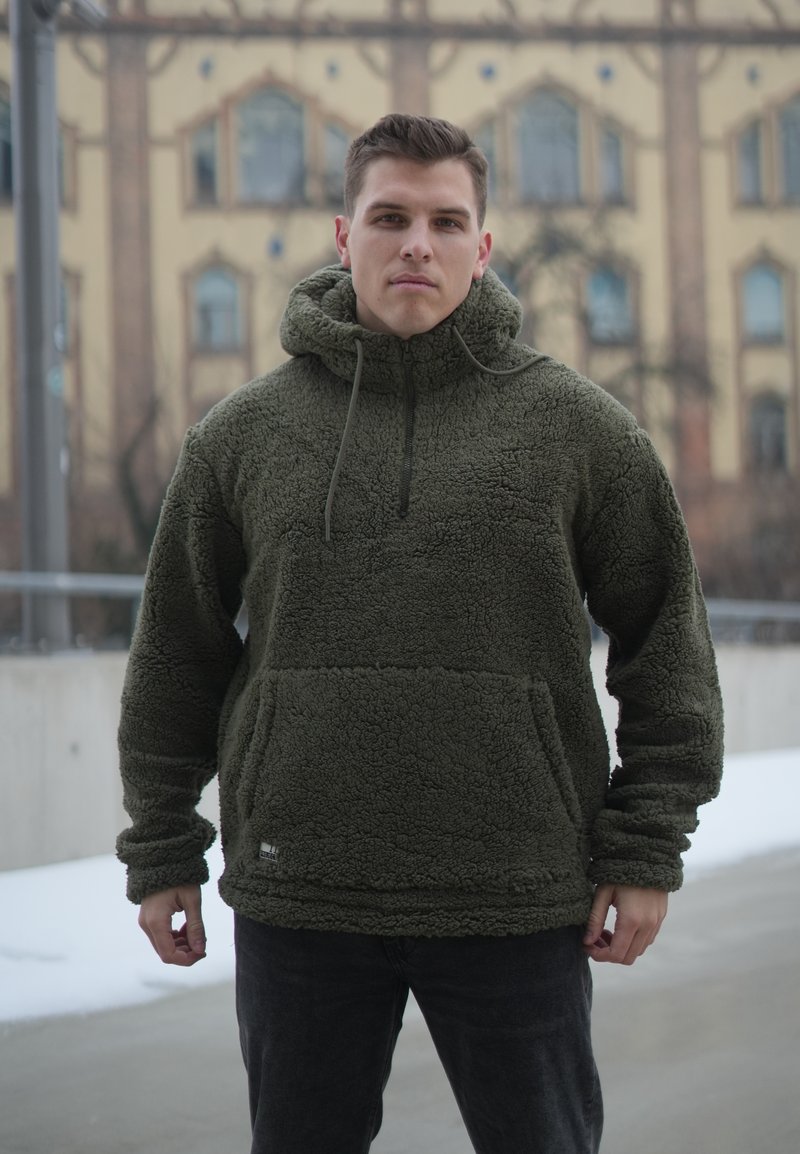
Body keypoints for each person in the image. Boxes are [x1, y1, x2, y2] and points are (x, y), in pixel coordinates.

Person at [117, 114, 724, 1154]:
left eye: (445, 222)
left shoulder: (578, 430)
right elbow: (176, 653)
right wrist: (163, 844)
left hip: (517, 893)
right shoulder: (243, 436)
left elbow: (668, 649)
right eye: (389, 216)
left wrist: (647, 847)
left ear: (481, 246)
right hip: (301, 888)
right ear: (342, 234)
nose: (416, 245)